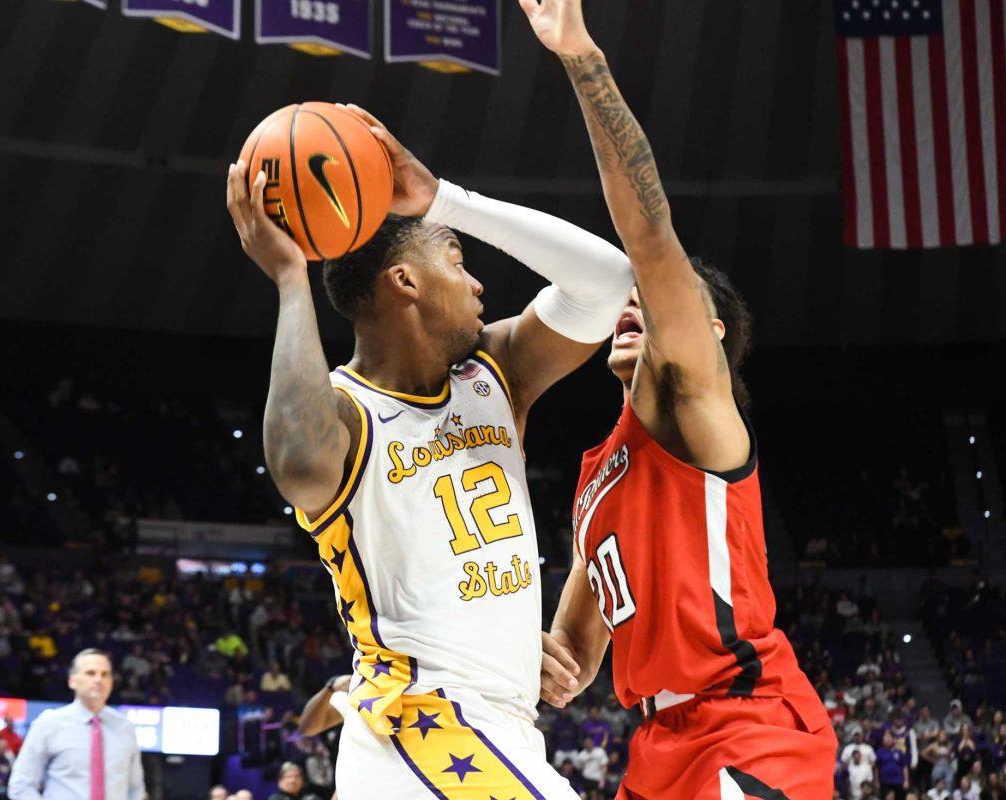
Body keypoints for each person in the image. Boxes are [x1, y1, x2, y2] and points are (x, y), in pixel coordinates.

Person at [226, 91, 634, 796]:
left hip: (497, 732)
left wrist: (447, 201)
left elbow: (607, 283)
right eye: (455, 257)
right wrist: (292, 282)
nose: (479, 282)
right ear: (405, 281)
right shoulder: (347, 415)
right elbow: (295, 463)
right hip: (419, 728)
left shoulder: (494, 374)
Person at [518, 1, 838, 798]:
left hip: (750, 727)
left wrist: (580, 57)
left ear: (709, 329)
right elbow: (574, 657)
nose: (636, 299)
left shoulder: (698, 405)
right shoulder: (596, 483)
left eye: (661, 299)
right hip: (660, 746)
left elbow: (649, 236)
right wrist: (526, 656)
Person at [7, 649, 143, 800]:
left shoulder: (125, 727)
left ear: (111, 682)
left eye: (105, 674)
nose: (99, 679)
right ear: (72, 681)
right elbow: (21, 785)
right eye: (90, 673)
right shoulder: (48, 724)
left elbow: (136, 789)